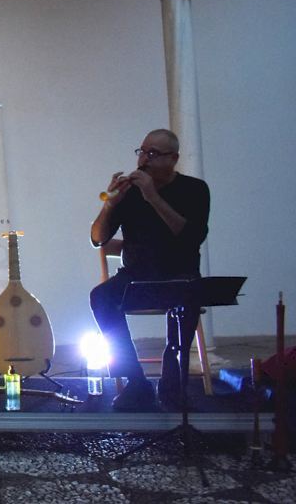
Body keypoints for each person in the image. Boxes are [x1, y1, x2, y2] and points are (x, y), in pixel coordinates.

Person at [90, 128, 210, 410]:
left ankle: (172, 384)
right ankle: (135, 382)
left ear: (173, 159)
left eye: (153, 153)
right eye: (142, 151)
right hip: (136, 277)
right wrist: (110, 205)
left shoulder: (195, 189)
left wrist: (153, 196)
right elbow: (98, 239)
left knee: (189, 300)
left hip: (179, 275)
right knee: (101, 297)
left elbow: (192, 237)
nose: (144, 159)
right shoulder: (129, 193)